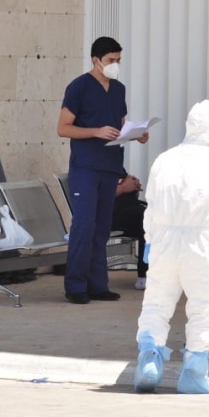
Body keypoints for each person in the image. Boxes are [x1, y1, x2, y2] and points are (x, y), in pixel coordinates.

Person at [133, 100, 209, 394]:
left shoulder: (164, 159)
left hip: (163, 242)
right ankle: (194, 372)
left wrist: (150, 240)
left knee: (156, 302)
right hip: (199, 243)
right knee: (205, 305)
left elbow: (151, 205)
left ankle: (149, 361)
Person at [57, 36, 148, 304]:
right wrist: (95, 131)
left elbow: (120, 125)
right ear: (95, 60)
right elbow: (63, 128)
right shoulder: (79, 87)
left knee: (102, 228)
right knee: (84, 226)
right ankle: (75, 286)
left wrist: (136, 134)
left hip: (110, 167)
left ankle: (98, 285)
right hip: (86, 167)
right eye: (110, 60)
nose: (115, 65)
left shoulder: (118, 89)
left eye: (118, 60)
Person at [111, 171, 148, 290]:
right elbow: (97, 196)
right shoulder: (91, 170)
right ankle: (144, 275)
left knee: (154, 217)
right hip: (108, 215)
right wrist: (123, 188)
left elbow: (123, 178)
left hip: (128, 208)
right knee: (147, 219)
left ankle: (149, 273)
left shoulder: (115, 166)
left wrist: (132, 183)